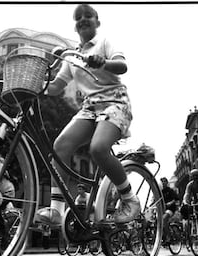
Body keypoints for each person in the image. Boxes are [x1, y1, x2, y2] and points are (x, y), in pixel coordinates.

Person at [35, 4, 138, 226]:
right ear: (75, 26)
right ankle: (56, 210)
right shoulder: (72, 57)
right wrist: (37, 84)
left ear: (97, 22)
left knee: (98, 149)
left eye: (88, 16)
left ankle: (130, 198)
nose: (83, 19)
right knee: (60, 145)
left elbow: (122, 66)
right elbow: (55, 87)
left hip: (115, 103)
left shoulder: (104, 43)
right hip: (90, 109)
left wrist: (104, 62)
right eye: (78, 17)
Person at [160, 177, 179, 245]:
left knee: (164, 218)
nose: (163, 183)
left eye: (164, 181)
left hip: (170, 209)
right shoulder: (160, 192)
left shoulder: (170, 190)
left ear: (167, 182)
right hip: (163, 209)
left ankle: (169, 237)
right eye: (162, 182)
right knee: (157, 221)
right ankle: (162, 237)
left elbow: (176, 199)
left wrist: (170, 203)